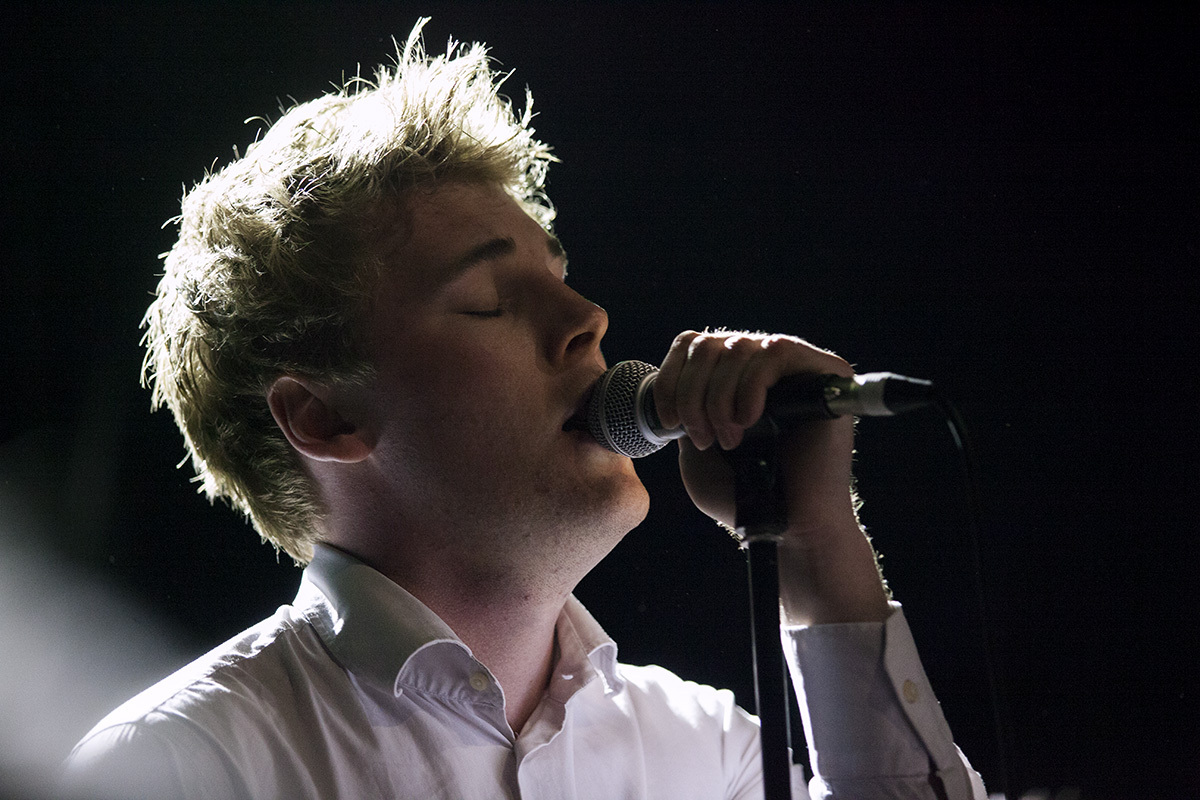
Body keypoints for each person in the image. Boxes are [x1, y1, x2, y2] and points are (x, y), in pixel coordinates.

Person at [63, 21, 986, 800]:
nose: (588, 321)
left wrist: (815, 544)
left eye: (561, 276)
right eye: (488, 302)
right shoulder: (181, 768)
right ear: (324, 418)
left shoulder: (705, 753)